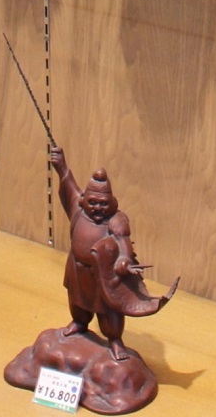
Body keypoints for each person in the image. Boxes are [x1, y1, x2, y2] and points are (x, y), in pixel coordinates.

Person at [50, 144, 173, 360]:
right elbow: (69, 187)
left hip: (102, 275)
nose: (97, 208)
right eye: (93, 202)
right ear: (85, 200)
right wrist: (61, 166)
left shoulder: (116, 220)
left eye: (103, 204)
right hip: (78, 270)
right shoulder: (78, 210)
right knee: (77, 301)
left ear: (111, 203)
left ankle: (115, 340)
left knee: (108, 311)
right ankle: (79, 323)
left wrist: (124, 259)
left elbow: (123, 242)